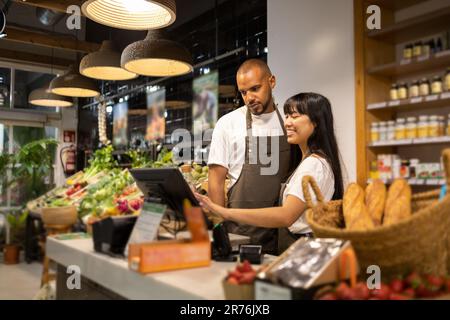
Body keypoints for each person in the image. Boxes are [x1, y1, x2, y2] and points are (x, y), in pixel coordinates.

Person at [198, 92, 345, 254]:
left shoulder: (314, 165)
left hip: (303, 248)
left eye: (294, 116)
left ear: (316, 122)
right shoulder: (310, 161)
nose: (287, 123)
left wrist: (225, 212)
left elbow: (286, 215)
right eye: (287, 116)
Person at [207, 59, 298, 255]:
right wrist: (220, 232)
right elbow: (215, 182)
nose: (249, 98)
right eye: (243, 92)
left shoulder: (289, 123)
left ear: (272, 82)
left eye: (255, 88)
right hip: (241, 233)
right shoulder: (228, 124)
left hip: (282, 233)